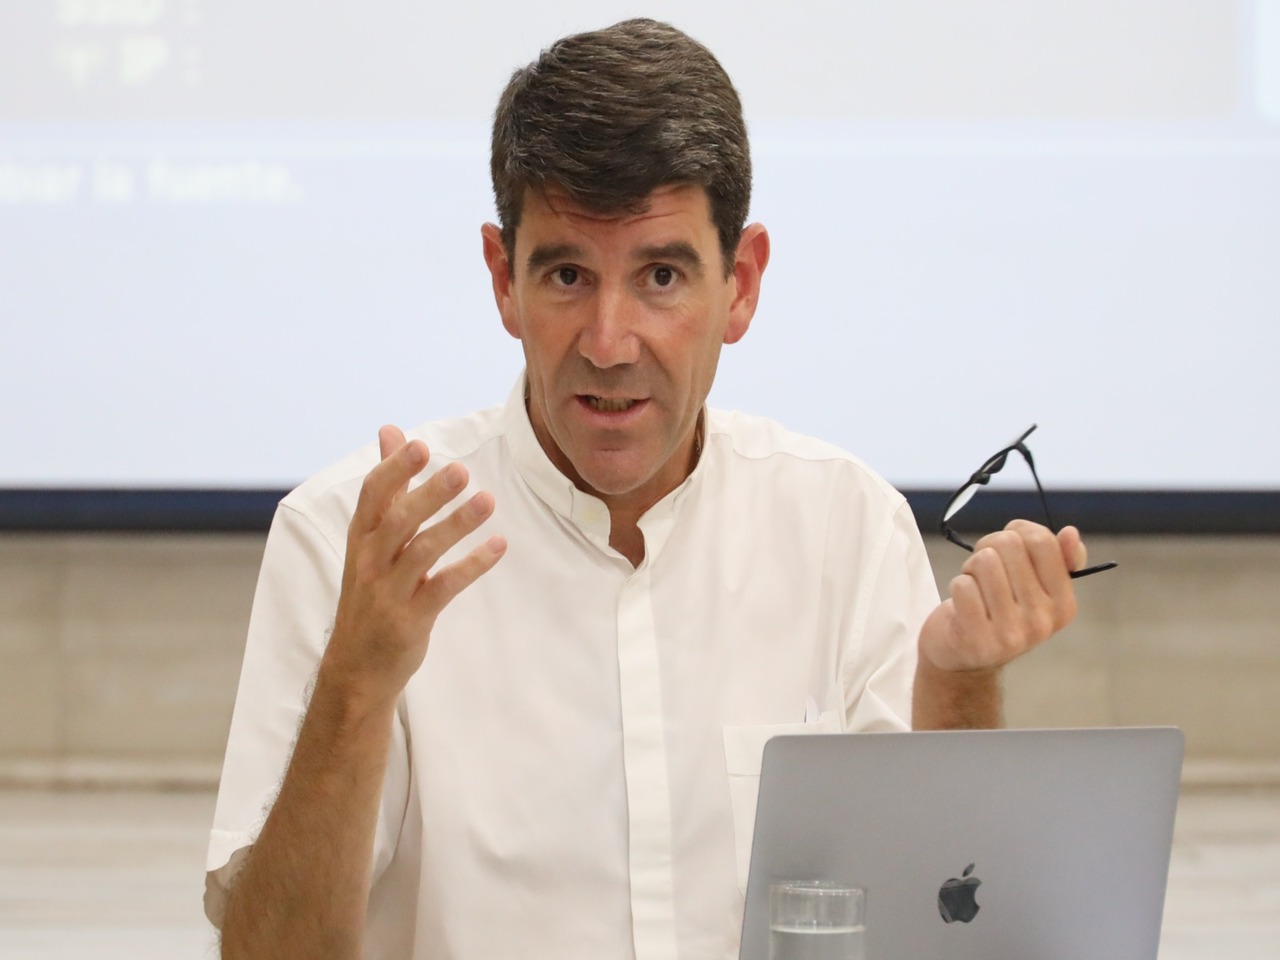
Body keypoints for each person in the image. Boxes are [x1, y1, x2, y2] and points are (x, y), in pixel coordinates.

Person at [206, 18, 1090, 960]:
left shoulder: (845, 526)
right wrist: (356, 686)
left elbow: (936, 930)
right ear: (503, 281)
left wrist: (959, 685)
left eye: (660, 275)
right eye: (567, 275)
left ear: (740, 284)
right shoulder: (352, 538)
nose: (608, 342)